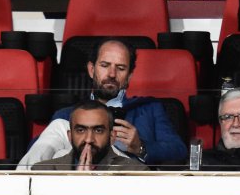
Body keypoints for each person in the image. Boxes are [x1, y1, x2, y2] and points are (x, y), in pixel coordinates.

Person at [18, 38, 186, 168]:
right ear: (92, 70)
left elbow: (179, 150)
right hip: (75, 184)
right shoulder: (66, 114)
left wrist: (140, 147)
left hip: (126, 180)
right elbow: (37, 149)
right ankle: (21, 188)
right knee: (61, 134)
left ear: (129, 77)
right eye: (105, 66)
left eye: (120, 68)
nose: (112, 74)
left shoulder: (149, 109)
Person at [32, 101, 145, 171]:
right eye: (81, 130)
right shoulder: (43, 171)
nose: (89, 139)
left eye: (98, 130)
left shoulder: (135, 172)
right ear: (70, 136)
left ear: (112, 137)